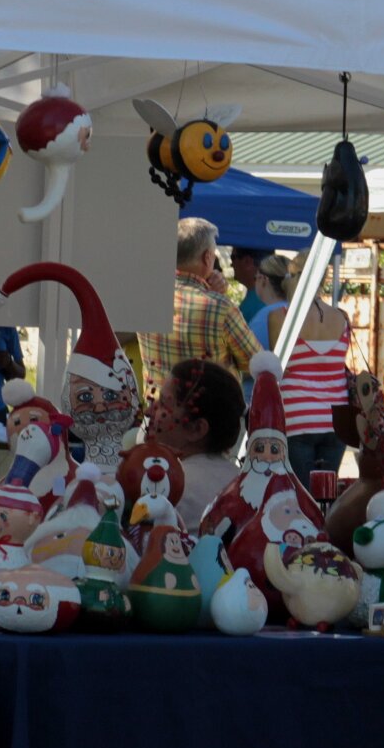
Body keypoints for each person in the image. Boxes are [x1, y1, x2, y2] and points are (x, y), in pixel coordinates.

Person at [136, 219, 260, 402]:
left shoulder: (146, 299)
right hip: (210, 410)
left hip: (159, 410)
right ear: (207, 257)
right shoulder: (220, 307)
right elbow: (254, 361)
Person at [273, 259, 354, 488]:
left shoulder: (280, 317)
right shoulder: (342, 317)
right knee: (325, 495)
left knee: (301, 495)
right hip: (336, 421)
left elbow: (276, 368)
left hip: (297, 417)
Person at [148, 357, 247, 532]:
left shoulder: (170, 488)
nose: (149, 411)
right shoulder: (243, 482)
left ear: (197, 429)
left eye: (163, 404)